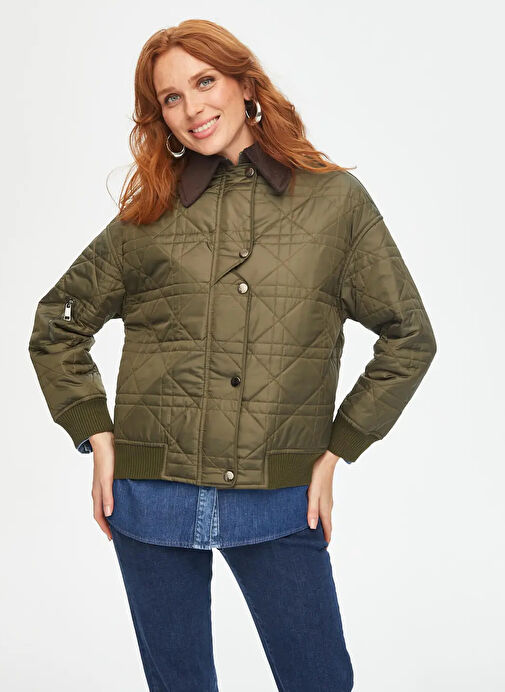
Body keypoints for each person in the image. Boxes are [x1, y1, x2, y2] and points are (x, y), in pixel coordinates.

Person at [28, 19, 437, 692]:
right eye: (171, 97)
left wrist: (337, 451)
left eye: (204, 81)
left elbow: (409, 335)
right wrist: (96, 438)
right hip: (151, 499)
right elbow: (58, 325)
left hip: (279, 497)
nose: (192, 108)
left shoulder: (334, 202)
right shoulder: (150, 212)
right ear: (159, 115)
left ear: (245, 84)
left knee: (319, 680)